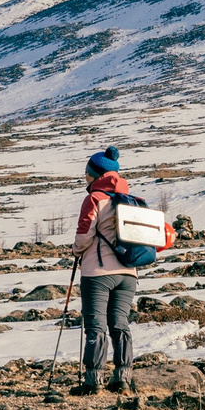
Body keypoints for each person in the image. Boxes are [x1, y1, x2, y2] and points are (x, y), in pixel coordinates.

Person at [71, 146, 138, 396]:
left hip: (98, 272)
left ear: (96, 174)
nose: (85, 177)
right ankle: (123, 379)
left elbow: (84, 235)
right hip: (129, 273)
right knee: (120, 324)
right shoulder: (130, 200)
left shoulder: (95, 198)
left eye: (87, 172)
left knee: (96, 325)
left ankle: (94, 381)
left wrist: (76, 250)